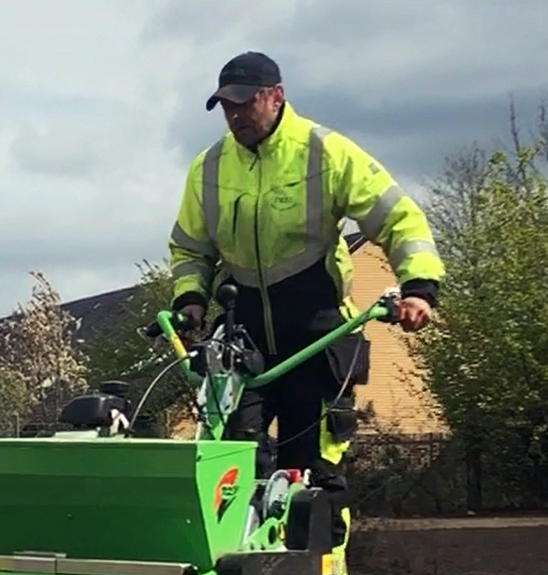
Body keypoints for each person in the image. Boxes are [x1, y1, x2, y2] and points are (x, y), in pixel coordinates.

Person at [165, 50, 444, 487]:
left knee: (312, 474)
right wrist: (191, 299)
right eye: (227, 107)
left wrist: (418, 286)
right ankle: (239, 554)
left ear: (276, 96)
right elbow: (189, 247)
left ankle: (323, 554)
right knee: (232, 464)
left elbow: (397, 218)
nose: (236, 115)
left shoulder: (325, 152)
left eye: (245, 102)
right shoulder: (209, 167)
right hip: (246, 338)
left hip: (318, 332)